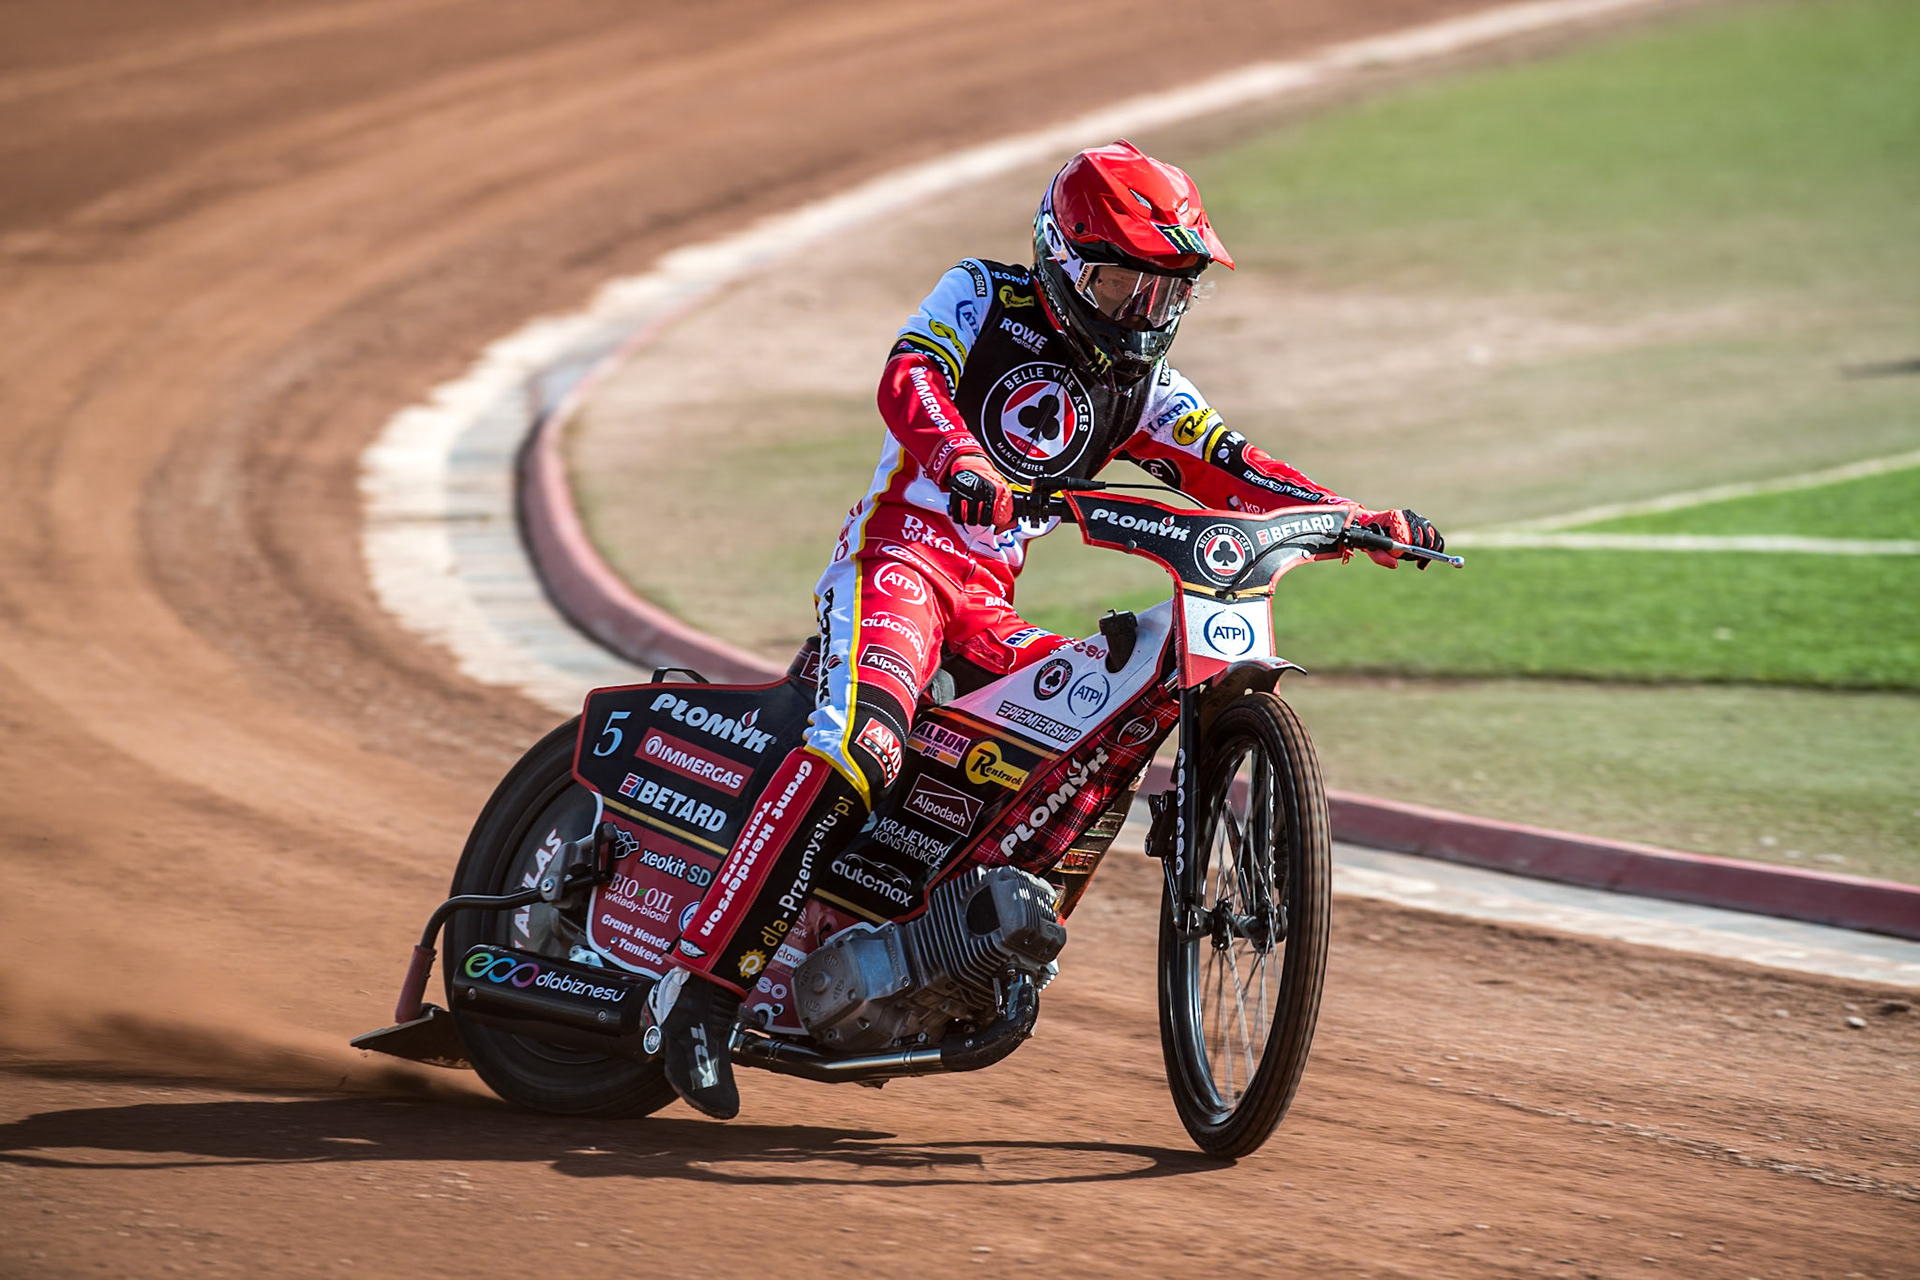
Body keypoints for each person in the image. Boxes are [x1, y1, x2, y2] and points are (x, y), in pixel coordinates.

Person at [650, 139, 1444, 1118]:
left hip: (985, 598)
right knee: (863, 747)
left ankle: (945, 939)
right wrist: (962, 461)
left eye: (1169, 293)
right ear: (1066, 259)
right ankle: (696, 991)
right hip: (900, 560)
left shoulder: (1144, 388)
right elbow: (909, 377)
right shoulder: (983, 294)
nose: (1147, 312)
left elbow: (1231, 462)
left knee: (1085, 722)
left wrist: (1357, 517)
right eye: (1127, 284)